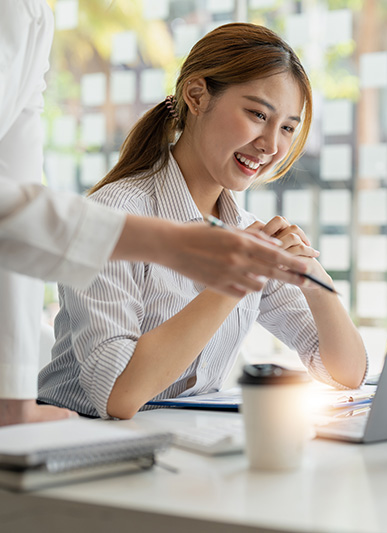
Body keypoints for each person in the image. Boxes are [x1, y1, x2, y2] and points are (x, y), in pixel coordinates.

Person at [0, 2, 313, 427]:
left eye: (288, 128)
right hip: (83, 434)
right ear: (196, 97)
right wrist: (228, 275)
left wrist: (11, 394)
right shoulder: (120, 208)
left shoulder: (32, 14)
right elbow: (118, 395)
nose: (272, 145)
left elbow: (15, 202)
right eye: (257, 114)